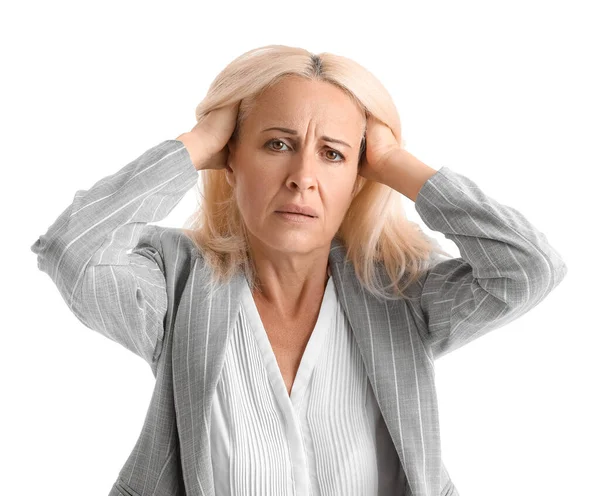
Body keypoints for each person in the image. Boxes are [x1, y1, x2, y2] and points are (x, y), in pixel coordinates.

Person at [31, 44, 568, 496]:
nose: (302, 177)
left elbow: (527, 268)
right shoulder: (178, 285)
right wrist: (193, 144)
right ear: (231, 158)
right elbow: (72, 250)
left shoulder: (401, 292)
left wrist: (394, 163)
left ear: (359, 177)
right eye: (277, 144)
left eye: (333, 155)